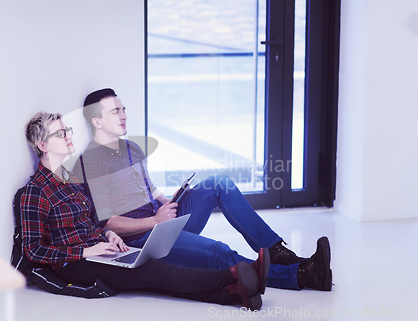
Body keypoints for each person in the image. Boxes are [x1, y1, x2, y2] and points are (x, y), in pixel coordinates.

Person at [75, 88, 332, 292]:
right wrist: (155, 221)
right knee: (218, 252)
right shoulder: (93, 161)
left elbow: (148, 188)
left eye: (123, 109)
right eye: (114, 112)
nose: (123, 115)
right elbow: (107, 222)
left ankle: (275, 250)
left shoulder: (132, 147)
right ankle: (301, 275)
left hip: (162, 220)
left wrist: (170, 202)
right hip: (142, 239)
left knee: (219, 182)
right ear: (96, 121)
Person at [20, 111, 271, 310]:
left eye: (67, 130)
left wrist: (108, 236)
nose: (67, 136)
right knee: (154, 271)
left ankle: (233, 295)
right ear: (43, 145)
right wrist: (87, 250)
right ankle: (233, 277)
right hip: (75, 264)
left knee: (154, 279)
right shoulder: (35, 192)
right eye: (60, 133)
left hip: (101, 250)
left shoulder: (70, 179)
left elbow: (90, 222)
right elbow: (32, 250)